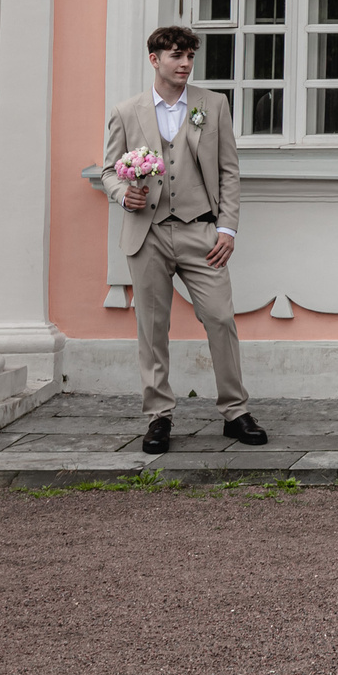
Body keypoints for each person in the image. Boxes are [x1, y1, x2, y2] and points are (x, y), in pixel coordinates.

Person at [102, 24, 268, 455]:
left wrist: (227, 228)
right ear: (155, 60)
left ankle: (235, 410)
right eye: (176, 56)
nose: (185, 63)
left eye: (190, 56)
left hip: (201, 231)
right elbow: (107, 172)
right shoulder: (126, 111)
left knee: (220, 319)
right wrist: (124, 194)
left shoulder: (212, 105)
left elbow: (229, 170)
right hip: (149, 234)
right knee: (152, 329)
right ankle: (158, 415)